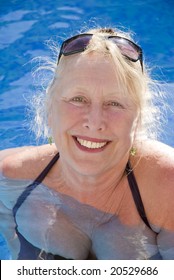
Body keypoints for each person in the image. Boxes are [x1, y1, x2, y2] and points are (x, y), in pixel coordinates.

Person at [0, 26, 174, 260]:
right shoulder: (9, 181)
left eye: (114, 103)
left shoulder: (167, 190)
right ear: (50, 108)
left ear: (139, 118)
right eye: (78, 99)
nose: (94, 122)